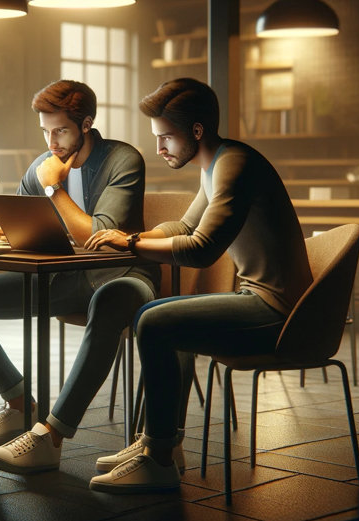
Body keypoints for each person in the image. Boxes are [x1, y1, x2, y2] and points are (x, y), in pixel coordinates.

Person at [84, 78, 313, 493]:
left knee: (154, 322)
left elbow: (202, 248)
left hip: (280, 313)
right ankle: (163, 446)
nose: (159, 149)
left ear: (196, 132)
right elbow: (186, 226)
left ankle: (157, 460)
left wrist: (133, 242)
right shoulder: (217, 163)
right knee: (165, 319)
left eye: (166, 137)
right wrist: (134, 235)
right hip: (256, 299)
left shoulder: (234, 165)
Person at [0, 80, 159, 473]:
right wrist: (10, 231)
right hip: (63, 278)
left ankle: (50, 436)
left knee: (109, 302)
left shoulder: (123, 159)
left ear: (86, 124)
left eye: (60, 130)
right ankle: (21, 404)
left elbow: (98, 236)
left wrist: (54, 186)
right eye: (45, 130)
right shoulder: (42, 163)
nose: (52, 141)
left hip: (122, 275)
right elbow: (27, 223)